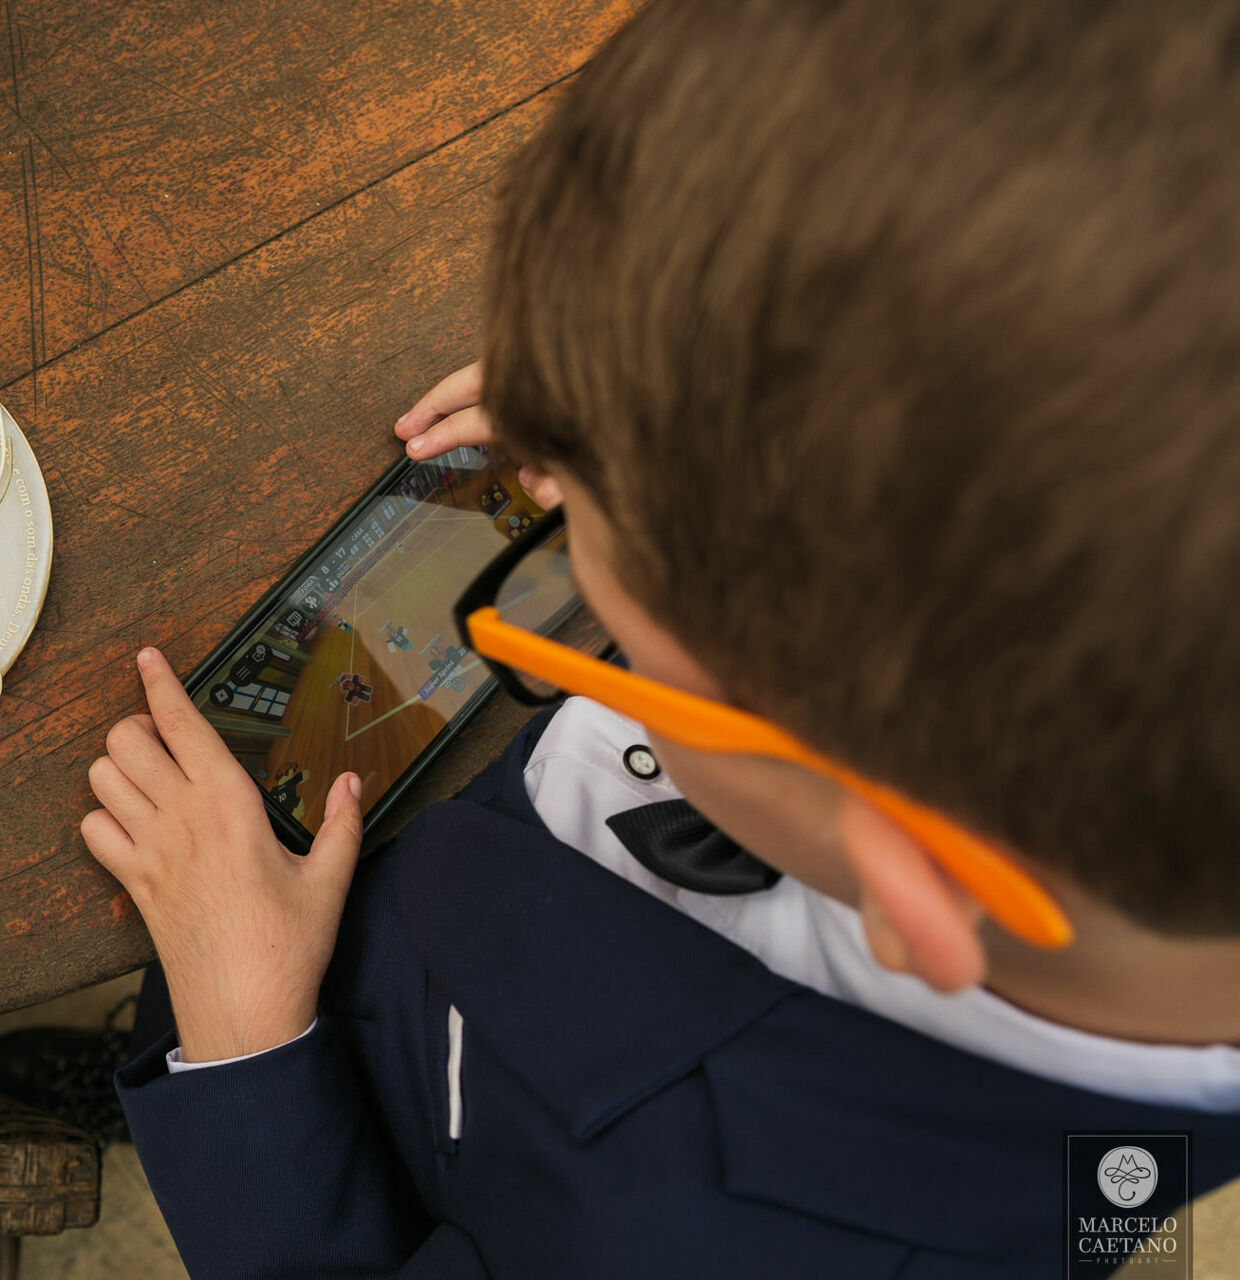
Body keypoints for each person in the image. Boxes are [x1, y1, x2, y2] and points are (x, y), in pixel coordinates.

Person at [77, 1, 1240, 1274]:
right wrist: (644, 411)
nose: (560, 526)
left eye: (590, 608)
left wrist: (247, 1051)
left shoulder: (698, 1240)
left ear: (915, 881)